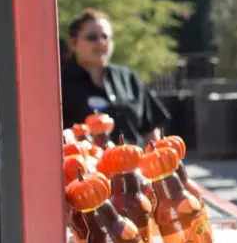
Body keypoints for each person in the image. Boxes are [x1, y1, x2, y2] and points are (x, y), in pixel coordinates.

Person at [60, 9, 171, 147]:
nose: (101, 42)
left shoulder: (127, 78)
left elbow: (151, 128)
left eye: (105, 36)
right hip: (83, 165)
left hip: (132, 163)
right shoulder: (59, 82)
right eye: (92, 37)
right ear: (73, 43)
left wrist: (155, 162)